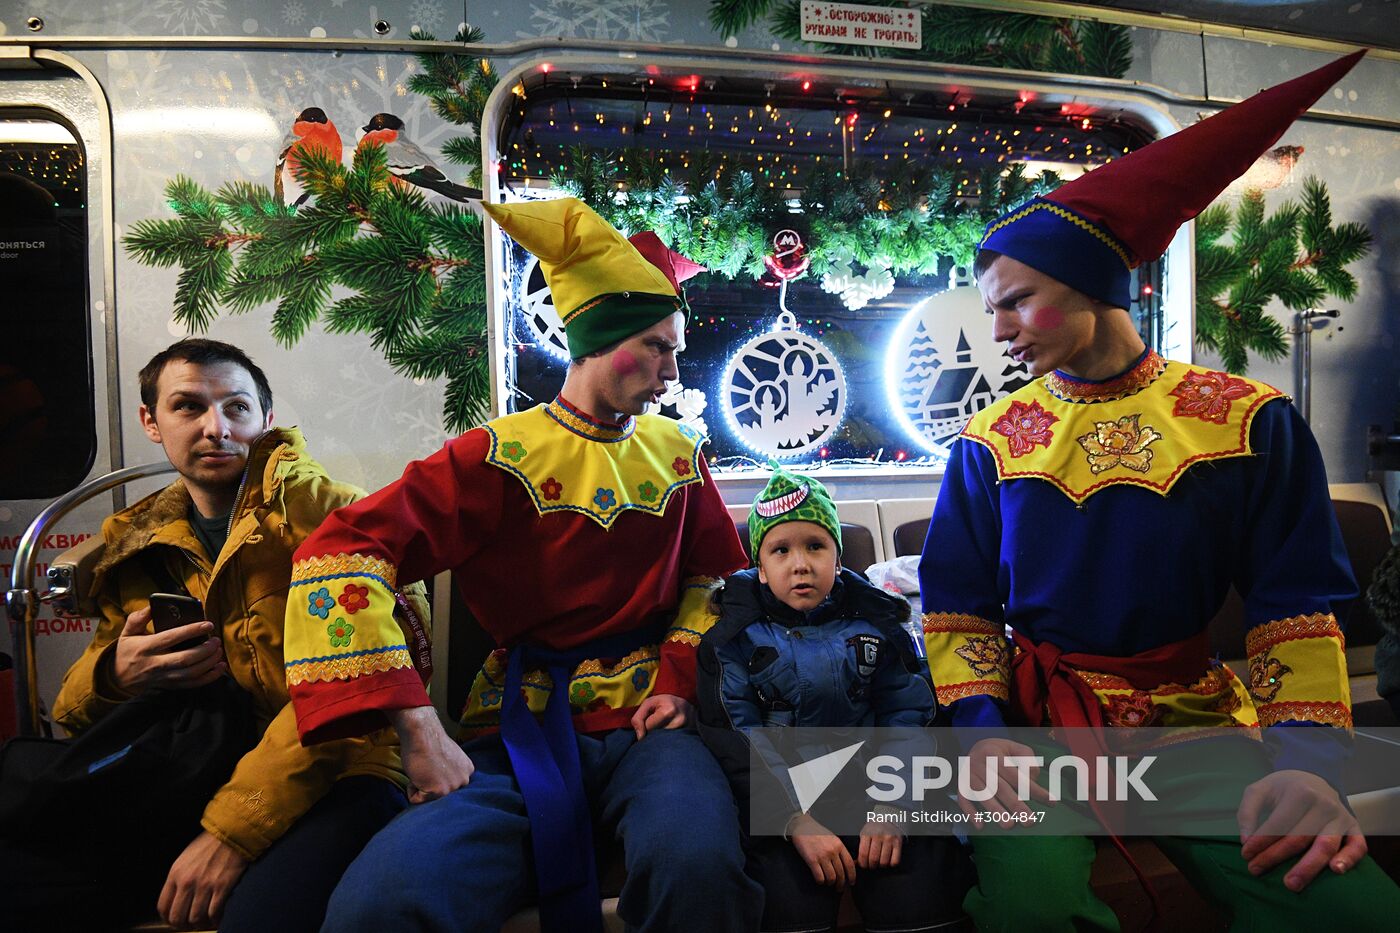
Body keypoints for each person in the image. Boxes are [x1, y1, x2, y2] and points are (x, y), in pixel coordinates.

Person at [918, 50, 1400, 929]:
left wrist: (1303, 764)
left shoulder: (1245, 420)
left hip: (1196, 723)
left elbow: (1294, 605)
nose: (998, 332)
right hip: (1040, 728)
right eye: (992, 309)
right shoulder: (991, 440)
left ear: (1097, 287)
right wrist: (984, 731)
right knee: (1033, 912)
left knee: (1350, 911)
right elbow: (960, 613)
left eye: (1017, 302)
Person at [284, 199, 762, 933]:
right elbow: (343, 551)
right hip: (520, 728)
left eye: (677, 348)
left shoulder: (678, 452)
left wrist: (675, 681)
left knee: (696, 866)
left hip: (651, 726)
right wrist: (418, 725)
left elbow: (713, 580)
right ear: (601, 339)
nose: (674, 367)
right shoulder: (494, 455)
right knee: (377, 903)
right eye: (658, 346)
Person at [2, 339, 427, 932]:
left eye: (236, 408)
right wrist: (117, 676)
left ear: (265, 420)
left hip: (344, 769)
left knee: (255, 919)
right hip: (196, 768)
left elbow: (358, 705)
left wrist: (229, 835)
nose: (215, 429)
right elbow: (75, 714)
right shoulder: (141, 541)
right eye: (188, 408)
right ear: (151, 421)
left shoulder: (334, 521)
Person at [697, 464, 972, 932]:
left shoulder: (882, 627)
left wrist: (894, 806)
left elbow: (912, 717)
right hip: (782, 808)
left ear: (838, 560)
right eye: (780, 550)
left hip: (878, 792)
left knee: (923, 900)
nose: (800, 564)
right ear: (759, 570)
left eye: (815, 546)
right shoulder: (731, 641)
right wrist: (793, 821)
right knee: (787, 911)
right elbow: (736, 741)